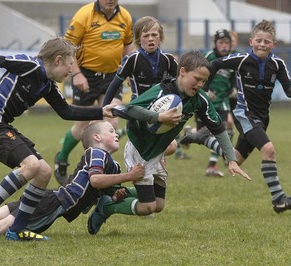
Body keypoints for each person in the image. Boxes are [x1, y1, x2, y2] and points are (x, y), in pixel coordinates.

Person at [0, 37, 117, 241]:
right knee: (31, 165)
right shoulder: (29, 65)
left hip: (1, 126)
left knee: (44, 171)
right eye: (70, 65)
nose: (70, 71)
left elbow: (66, 111)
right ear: (58, 59)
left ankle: (17, 229)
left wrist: (101, 111)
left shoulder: (48, 85)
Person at [87, 50, 251, 235]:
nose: (200, 84)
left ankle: (115, 193)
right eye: (196, 78)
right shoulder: (161, 91)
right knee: (147, 206)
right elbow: (129, 109)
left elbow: (218, 129)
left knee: (159, 205)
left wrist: (231, 159)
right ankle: (107, 207)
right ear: (182, 71)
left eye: (204, 81)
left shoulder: (200, 100)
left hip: (158, 152)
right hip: (140, 149)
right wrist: (158, 117)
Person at [0, 121, 144, 239]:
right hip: (53, 203)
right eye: (112, 132)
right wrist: (129, 177)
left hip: (47, 199)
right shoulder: (96, 153)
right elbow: (95, 181)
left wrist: (115, 194)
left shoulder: (111, 164)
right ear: (97, 137)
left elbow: (102, 188)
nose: (116, 134)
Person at [181, 20, 291, 213]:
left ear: (273, 44)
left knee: (234, 159)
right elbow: (212, 65)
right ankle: (279, 199)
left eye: (267, 41)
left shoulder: (278, 64)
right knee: (269, 150)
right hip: (244, 115)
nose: (262, 44)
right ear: (251, 41)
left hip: (263, 119)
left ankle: (202, 138)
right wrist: (204, 89)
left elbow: (289, 90)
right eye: (259, 40)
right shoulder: (241, 60)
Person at [54, 0, 134, 186]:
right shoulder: (84, 15)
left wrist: (130, 69)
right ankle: (62, 159)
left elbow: (128, 45)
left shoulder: (125, 17)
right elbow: (68, 48)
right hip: (87, 75)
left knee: (112, 121)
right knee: (82, 127)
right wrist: (77, 74)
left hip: (113, 76)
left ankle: (101, 168)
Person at [102, 15, 179, 158]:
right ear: (138, 38)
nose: (150, 39)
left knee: (170, 147)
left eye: (154, 35)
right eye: (146, 35)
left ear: (160, 37)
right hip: (138, 113)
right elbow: (114, 85)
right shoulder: (133, 59)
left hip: (160, 111)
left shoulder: (168, 60)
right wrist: (103, 108)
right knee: (143, 160)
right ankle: (133, 157)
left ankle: (153, 168)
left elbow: (179, 85)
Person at [201, 29, 235, 177]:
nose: (224, 46)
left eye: (227, 43)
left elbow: (234, 76)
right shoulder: (209, 56)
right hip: (208, 100)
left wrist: (234, 88)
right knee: (209, 131)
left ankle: (214, 163)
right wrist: (205, 90)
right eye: (221, 42)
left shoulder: (232, 59)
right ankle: (225, 156)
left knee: (226, 126)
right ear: (215, 44)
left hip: (224, 100)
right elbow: (198, 72)